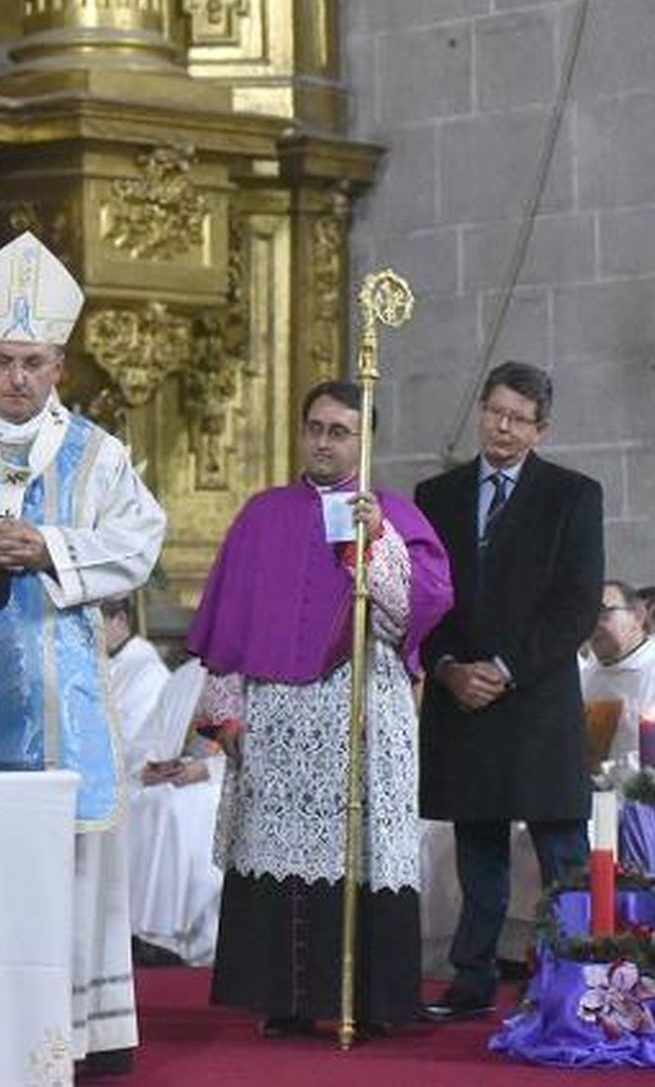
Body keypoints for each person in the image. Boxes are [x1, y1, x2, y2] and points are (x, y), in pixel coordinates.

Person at [0, 231, 166, 1075]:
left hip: (57, 693)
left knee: (64, 865)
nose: (19, 378)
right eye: (5, 360)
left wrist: (51, 547)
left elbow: (140, 542)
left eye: (37, 362)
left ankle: (67, 1032)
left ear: (60, 364)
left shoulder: (98, 453)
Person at [185, 379, 452, 1036]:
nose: (324, 442)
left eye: (340, 431)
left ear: (365, 441)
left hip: (361, 711)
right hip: (277, 716)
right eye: (316, 428)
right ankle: (285, 998)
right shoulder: (262, 514)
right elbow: (227, 630)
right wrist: (223, 712)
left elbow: (411, 614)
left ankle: (365, 1001)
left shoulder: (391, 515)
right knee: (279, 851)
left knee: (360, 848)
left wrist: (379, 539)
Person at [416, 360, 604, 1023]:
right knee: (479, 853)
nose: (502, 426)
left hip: (536, 698)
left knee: (563, 854)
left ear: (540, 429)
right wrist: (448, 670)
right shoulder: (435, 496)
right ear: (481, 411)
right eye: (494, 411)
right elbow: (423, 601)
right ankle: (471, 980)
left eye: (518, 418)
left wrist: (502, 667)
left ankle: (571, 976)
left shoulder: (574, 496)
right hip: (461, 697)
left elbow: (577, 604)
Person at [104, 597, 223, 967]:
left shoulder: (246, 677)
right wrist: (149, 769)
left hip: (219, 781)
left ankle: (182, 934)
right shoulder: (187, 676)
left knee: (175, 807)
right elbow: (151, 740)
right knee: (145, 801)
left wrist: (204, 771)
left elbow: (256, 751)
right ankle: (144, 931)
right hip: (177, 779)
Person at [582, 579, 655, 781]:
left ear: (638, 616)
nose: (592, 624)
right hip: (594, 802)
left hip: (654, 803)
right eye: (586, 614)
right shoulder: (587, 675)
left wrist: (604, 772)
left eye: (602, 613)